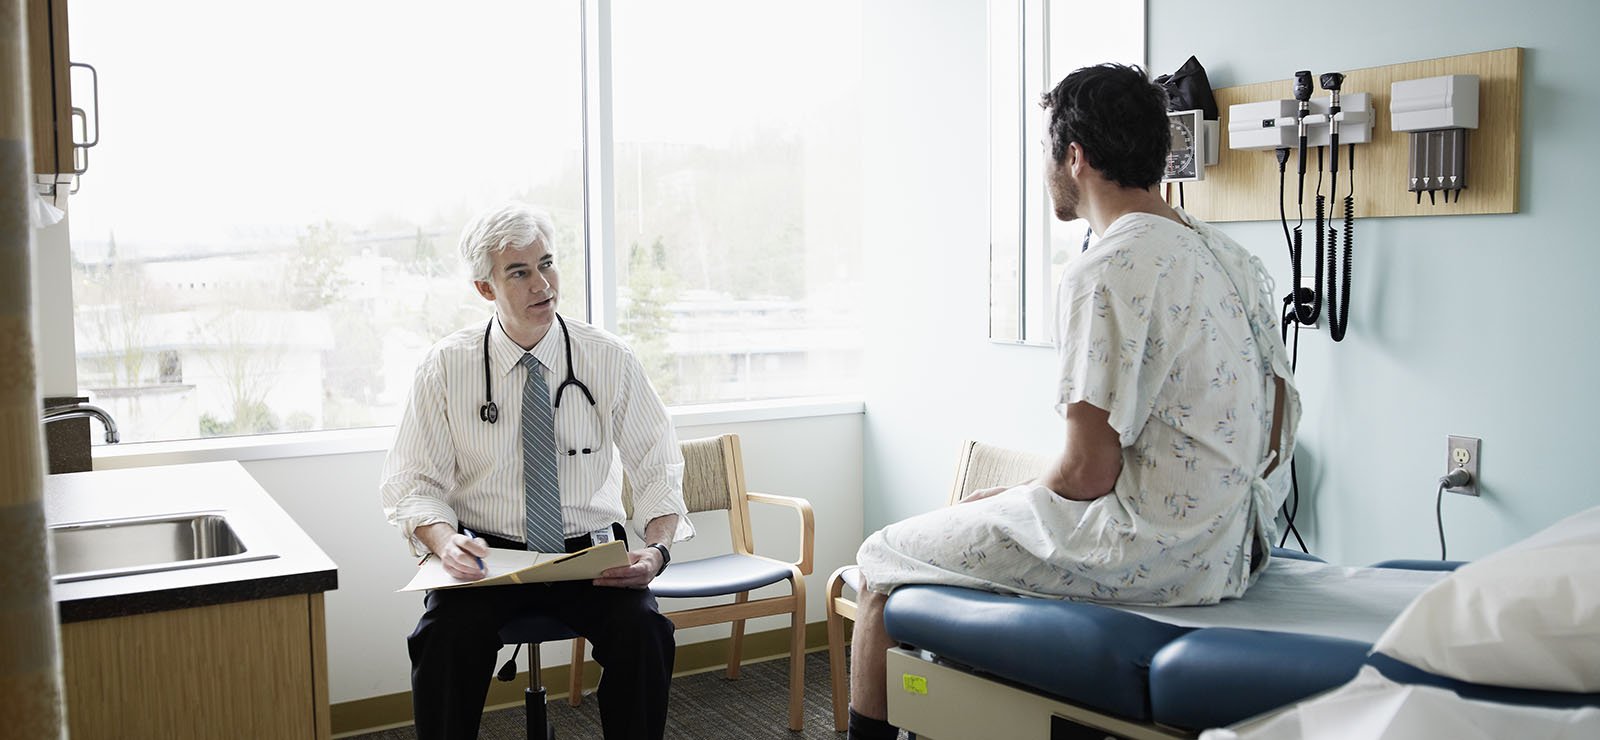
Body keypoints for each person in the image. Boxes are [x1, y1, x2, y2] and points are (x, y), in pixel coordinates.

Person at [844, 64, 1302, 740]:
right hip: (1237, 543)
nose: (1046, 170)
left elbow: (1088, 474)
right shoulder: (1224, 254)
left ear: (1075, 156)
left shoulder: (1106, 267)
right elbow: (1276, 429)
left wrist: (1002, 498)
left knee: (882, 555)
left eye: (1045, 153)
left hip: (1153, 554)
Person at [381, 203, 694, 740]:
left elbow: (657, 466)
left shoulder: (609, 357)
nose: (542, 284)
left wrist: (657, 551)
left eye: (547, 264)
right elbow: (414, 486)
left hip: (588, 555)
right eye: (519, 272)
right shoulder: (444, 368)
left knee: (644, 630)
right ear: (486, 288)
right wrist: (445, 542)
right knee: (442, 636)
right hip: (487, 559)